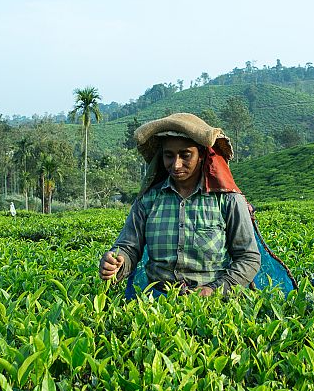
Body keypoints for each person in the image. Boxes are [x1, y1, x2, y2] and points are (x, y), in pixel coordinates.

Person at [99, 113, 261, 296]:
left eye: (185, 155)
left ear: (201, 155)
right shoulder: (148, 200)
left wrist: (215, 290)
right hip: (157, 305)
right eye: (169, 156)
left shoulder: (228, 200)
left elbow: (248, 257)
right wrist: (116, 262)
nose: (176, 165)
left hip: (214, 305)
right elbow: (129, 248)